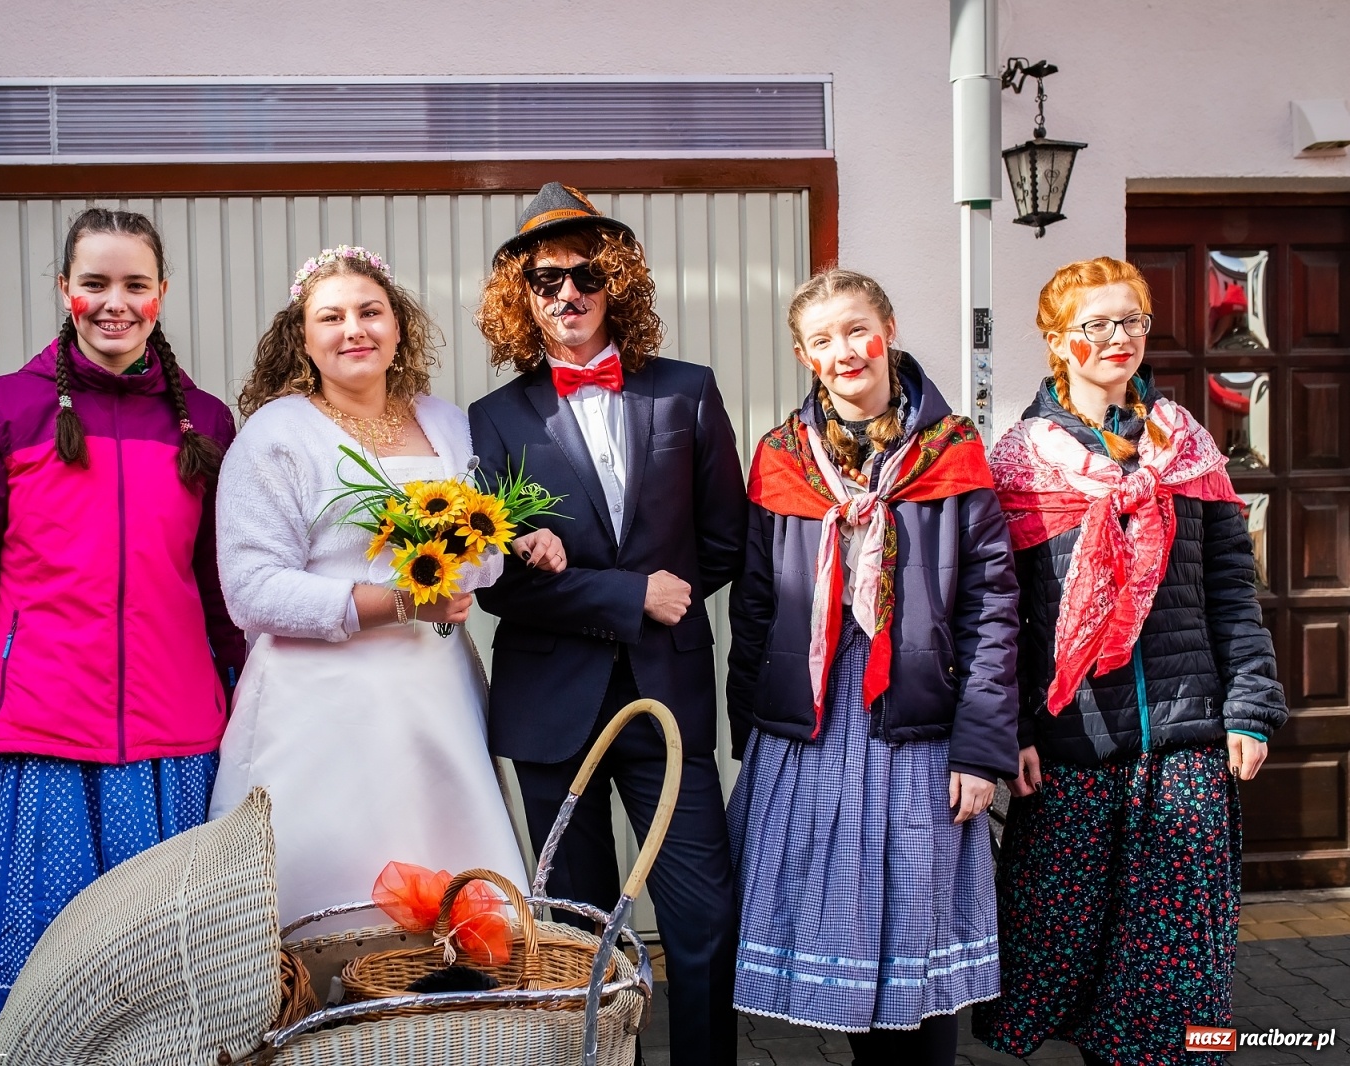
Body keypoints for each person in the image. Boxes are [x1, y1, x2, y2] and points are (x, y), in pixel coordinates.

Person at [0, 208, 245, 1047]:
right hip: (44, 736)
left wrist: (255, 714)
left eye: (135, 285)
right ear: (65, 290)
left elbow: (224, 597)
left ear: (162, 294)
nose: (115, 303)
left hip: (175, 745)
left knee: (164, 971)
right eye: (95, 283)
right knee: (47, 978)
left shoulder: (206, 424)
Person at [974, 257, 1287, 1065]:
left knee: (1178, 970)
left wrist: (1250, 705)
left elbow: (1231, 590)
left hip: (1186, 743)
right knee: (1061, 951)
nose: (1119, 339)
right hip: (1073, 745)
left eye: (1132, 322)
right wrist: (1006, 729)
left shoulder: (1187, 448)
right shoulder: (1018, 463)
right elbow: (1003, 614)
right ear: (1057, 339)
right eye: (1097, 324)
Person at [469, 183, 747, 1066]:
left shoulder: (688, 394)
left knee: (703, 916)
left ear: (615, 281)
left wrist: (661, 598)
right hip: (552, 706)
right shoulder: (493, 420)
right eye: (545, 281)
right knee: (575, 928)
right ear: (523, 297)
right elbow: (493, 585)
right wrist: (627, 596)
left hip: (668, 695)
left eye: (585, 274)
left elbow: (725, 541)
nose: (567, 294)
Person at [208, 245, 562, 922]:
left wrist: (515, 543)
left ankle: (442, 1019)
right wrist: (397, 602)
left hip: (435, 697)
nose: (354, 329)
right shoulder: (277, 436)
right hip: (318, 708)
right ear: (302, 338)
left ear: (398, 326)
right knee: (327, 878)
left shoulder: (449, 424)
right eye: (331, 317)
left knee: (453, 873)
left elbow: (478, 557)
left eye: (370, 311)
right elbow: (250, 590)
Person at [726, 268, 1018, 1066]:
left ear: (888, 326)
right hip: (813, 729)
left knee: (917, 936)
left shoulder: (953, 453)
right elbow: (754, 606)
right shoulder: (782, 459)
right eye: (822, 340)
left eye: (857, 329)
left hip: (918, 725)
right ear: (804, 356)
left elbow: (992, 611)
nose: (844, 350)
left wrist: (981, 749)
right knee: (844, 934)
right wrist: (750, 732)